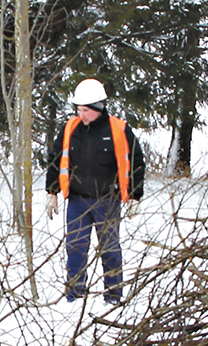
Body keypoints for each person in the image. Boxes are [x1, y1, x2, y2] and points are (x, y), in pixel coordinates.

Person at [44, 77, 145, 305]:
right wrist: (52, 192)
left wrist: (136, 195)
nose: (82, 114)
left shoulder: (119, 129)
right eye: (78, 109)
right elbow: (55, 159)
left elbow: (137, 161)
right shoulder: (71, 128)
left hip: (107, 201)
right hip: (77, 200)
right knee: (75, 249)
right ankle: (75, 294)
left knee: (110, 249)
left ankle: (114, 295)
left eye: (86, 110)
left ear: (99, 108)